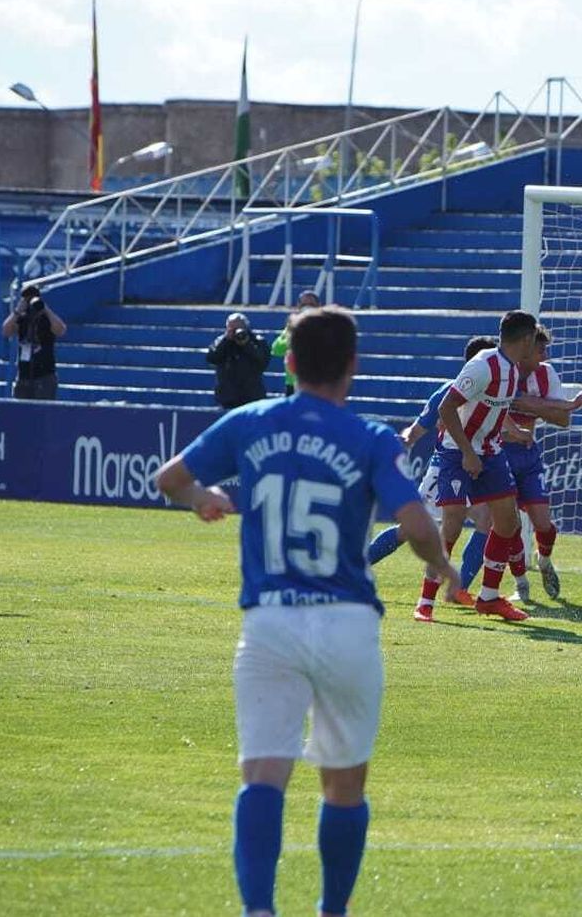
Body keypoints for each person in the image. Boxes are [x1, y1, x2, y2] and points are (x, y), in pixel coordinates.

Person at [155, 305, 457, 917]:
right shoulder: (370, 436)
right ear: (353, 368)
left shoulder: (250, 422)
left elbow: (169, 477)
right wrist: (441, 566)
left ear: (287, 364)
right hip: (346, 622)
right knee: (344, 784)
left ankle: (260, 911)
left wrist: (199, 496)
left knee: (263, 775)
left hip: (270, 624)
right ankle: (332, 911)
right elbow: (418, 523)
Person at [365, 336, 498, 612]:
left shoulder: (493, 393)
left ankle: (461, 588)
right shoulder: (449, 392)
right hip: (445, 469)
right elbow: (416, 429)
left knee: (487, 520)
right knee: (411, 530)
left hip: (473, 468)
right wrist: (405, 440)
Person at [434, 310, 543, 621]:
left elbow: (494, 410)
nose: (535, 346)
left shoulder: (511, 369)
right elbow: (447, 407)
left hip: (491, 451)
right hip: (460, 452)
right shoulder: (484, 365)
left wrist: (515, 432)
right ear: (525, 339)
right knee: (448, 523)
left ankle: (489, 597)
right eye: (534, 340)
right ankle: (428, 596)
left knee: (508, 523)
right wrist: (467, 452)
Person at [500, 324, 582, 601]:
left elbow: (564, 420)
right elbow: (505, 403)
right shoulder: (504, 371)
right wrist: (542, 406)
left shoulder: (546, 374)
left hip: (527, 453)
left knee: (543, 523)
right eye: (541, 349)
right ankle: (520, 584)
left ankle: (545, 560)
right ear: (526, 349)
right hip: (499, 453)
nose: (545, 354)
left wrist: (529, 404)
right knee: (510, 524)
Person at [1, 282, 66, 400]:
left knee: (43, 413)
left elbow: (61, 330)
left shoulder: (47, 318)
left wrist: (45, 309)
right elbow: (6, 331)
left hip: (45, 375)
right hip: (24, 376)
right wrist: (17, 311)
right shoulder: (21, 319)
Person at [208, 312, 273, 409]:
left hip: (252, 395)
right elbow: (211, 358)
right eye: (232, 328)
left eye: (239, 327)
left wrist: (247, 345)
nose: (236, 331)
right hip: (227, 396)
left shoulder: (258, 341)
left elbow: (263, 361)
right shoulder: (220, 341)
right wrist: (226, 340)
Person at [270, 291, 321, 395]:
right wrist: (291, 335)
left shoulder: (326, 326)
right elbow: (276, 350)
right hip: (293, 383)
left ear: (318, 306)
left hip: (317, 383)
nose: (307, 307)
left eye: (311, 305)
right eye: (303, 304)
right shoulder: (292, 327)